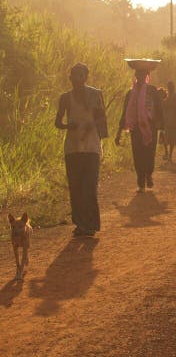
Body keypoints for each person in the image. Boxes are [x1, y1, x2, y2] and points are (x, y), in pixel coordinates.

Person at [55, 63, 107, 237]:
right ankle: (80, 223)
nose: (77, 79)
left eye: (80, 75)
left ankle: (90, 225)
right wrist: (67, 126)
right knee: (76, 187)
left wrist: (93, 125)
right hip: (73, 148)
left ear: (86, 78)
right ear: (70, 78)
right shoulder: (65, 98)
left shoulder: (95, 95)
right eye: (74, 75)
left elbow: (102, 120)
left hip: (91, 147)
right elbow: (58, 122)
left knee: (89, 187)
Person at [115, 60, 163, 192]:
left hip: (151, 128)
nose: (140, 78)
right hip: (135, 129)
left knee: (149, 153)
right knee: (137, 154)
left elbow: (159, 110)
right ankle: (141, 181)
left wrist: (162, 129)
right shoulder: (130, 93)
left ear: (147, 76)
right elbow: (125, 113)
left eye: (142, 75)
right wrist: (119, 133)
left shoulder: (153, 91)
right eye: (138, 75)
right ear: (135, 77)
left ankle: (149, 175)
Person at [162, 81, 176, 162]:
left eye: (172, 86)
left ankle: (170, 154)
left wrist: (174, 104)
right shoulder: (165, 95)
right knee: (165, 137)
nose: (170, 88)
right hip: (166, 120)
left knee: (172, 139)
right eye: (169, 86)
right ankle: (167, 152)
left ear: (174, 87)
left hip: (174, 120)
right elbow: (162, 107)